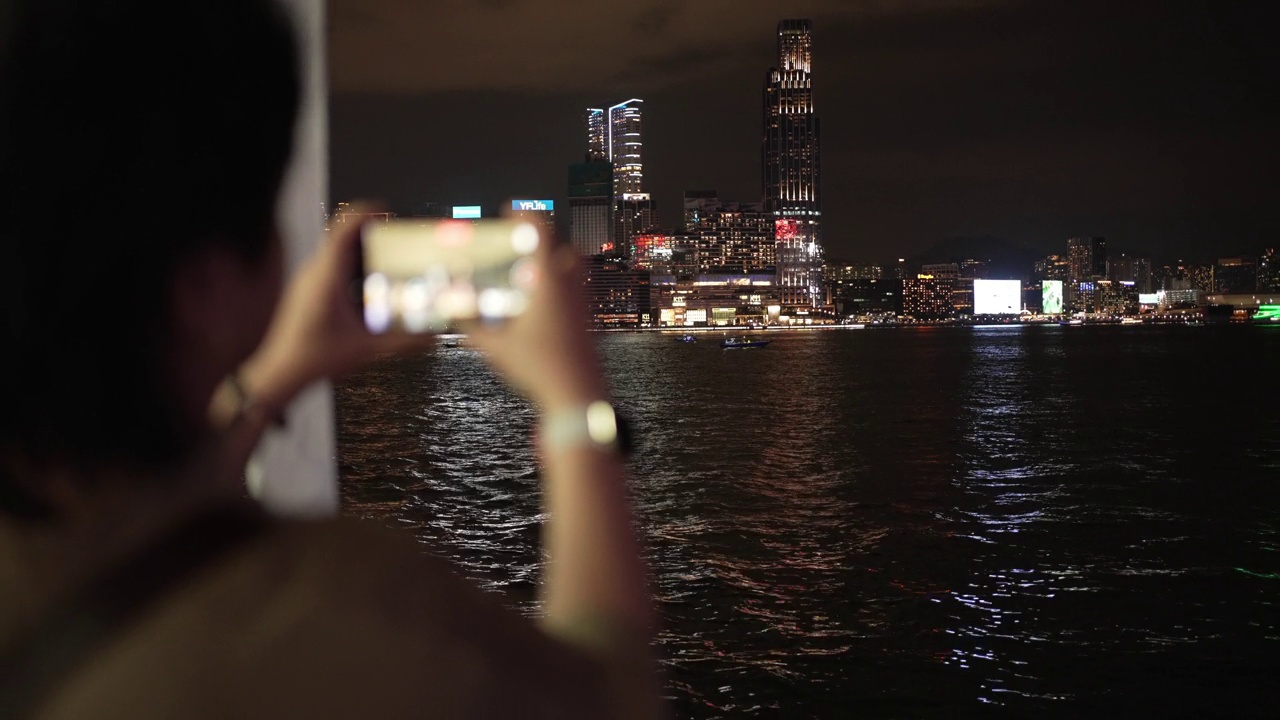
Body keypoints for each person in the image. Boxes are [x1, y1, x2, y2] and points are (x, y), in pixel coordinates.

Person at [0, 1, 662, 717]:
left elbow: (137, 516)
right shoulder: (346, 617)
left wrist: (270, 381)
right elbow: (613, 697)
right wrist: (573, 409)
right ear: (208, 282)